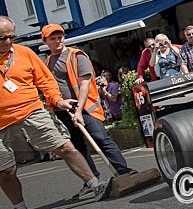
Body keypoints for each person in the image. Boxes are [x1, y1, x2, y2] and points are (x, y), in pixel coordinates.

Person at [0, 16, 106, 209]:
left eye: (12, 36)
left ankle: (95, 184)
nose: (9, 41)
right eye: (3, 38)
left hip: (32, 111)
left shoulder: (25, 53)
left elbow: (46, 81)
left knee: (65, 147)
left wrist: (57, 100)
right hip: (2, 124)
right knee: (5, 170)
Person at [41, 23, 135, 197]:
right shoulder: (47, 63)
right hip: (64, 110)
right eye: (53, 38)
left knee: (100, 137)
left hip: (85, 108)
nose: (58, 41)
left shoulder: (77, 56)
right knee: (77, 147)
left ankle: (124, 172)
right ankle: (92, 181)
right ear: (45, 41)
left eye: (60, 37)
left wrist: (78, 111)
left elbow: (84, 85)